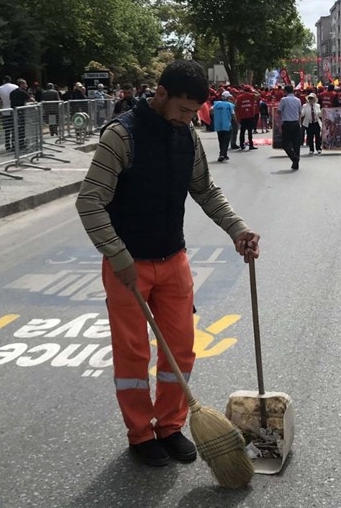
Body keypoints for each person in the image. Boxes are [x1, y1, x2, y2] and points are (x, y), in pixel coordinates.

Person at [73, 59, 260, 468]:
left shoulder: (187, 136)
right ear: (160, 95)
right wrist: (117, 255)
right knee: (133, 355)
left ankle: (170, 426)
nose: (188, 119)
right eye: (183, 109)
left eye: (194, 112)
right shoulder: (121, 136)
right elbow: (89, 201)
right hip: (128, 267)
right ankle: (141, 433)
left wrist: (237, 229)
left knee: (181, 350)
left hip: (174, 260)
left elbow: (205, 190)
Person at [277, 84, 302, 170]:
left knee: (285, 144)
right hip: (296, 123)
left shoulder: (283, 100)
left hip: (287, 123)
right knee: (296, 144)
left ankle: (294, 158)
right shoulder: (298, 100)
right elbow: (300, 112)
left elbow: (279, 111)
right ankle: (296, 163)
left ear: (285, 91)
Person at [9, 79, 34, 152]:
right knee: (21, 129)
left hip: (13, 112)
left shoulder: (12, 92)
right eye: (25, 84)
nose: (26, 86)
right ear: (21, 84)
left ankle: (14, 144)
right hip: (20, 113)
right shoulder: (22, 92)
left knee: (14, 129)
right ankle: (21, 144)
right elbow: (31, 100)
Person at [212, 91, 237, 162]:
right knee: (226, 141)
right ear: (228, 98)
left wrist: (216, 115)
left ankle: (224, 154)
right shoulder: (229, 105)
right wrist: (236, 122)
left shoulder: (217, 104)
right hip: (227, 125)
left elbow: (211, 110)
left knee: (221, 140)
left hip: (218, 125)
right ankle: (222, 155)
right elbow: (233, 115)